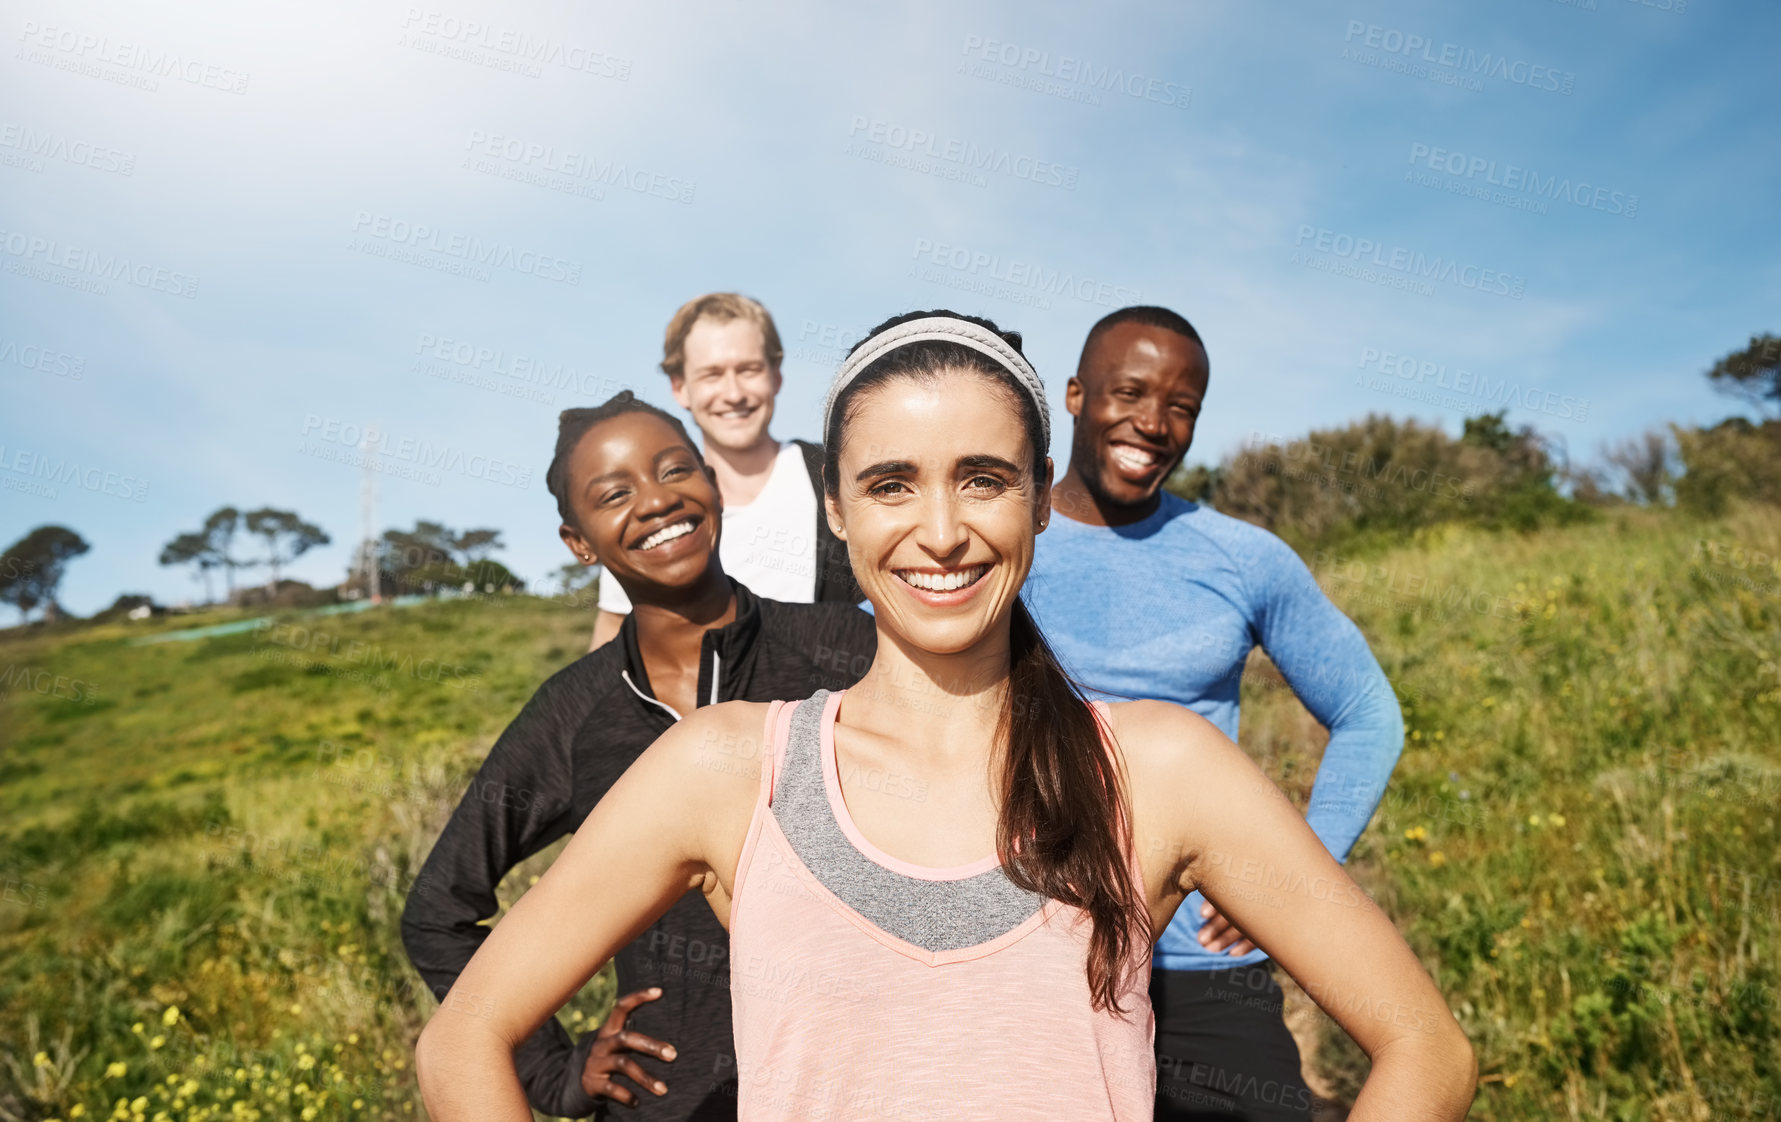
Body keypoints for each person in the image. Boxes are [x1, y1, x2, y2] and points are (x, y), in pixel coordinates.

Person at [414, 310, 1477, 1122]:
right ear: (837, 509)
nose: (940, 531)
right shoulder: (728, 767)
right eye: (890, 485)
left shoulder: (1158, 770)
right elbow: (462, 1043)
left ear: (1034, 497)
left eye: (980, 480)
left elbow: (1424, 1049)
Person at [401, 391, 876, 1120]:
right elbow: (437, 911)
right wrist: (554, 1071)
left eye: (674, 469)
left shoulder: (846, 648)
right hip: (671, 1104)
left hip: (865, 1087)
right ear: (578, 543)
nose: (654, 501)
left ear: (714, 486)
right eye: (614, 493)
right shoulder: (573, 714)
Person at [1021, 305, 1408, 1120]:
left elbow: (1368, 712)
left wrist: (1287, 880)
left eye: (1182, 407)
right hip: (1027, 962)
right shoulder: (999, 540)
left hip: (1203, 976)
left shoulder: (1240, 557)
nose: (1154, 423)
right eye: (1129, 392)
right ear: (1074, 395)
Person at [588, 293, 859, 651]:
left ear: (776, 375)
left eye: (749, 370)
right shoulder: (646, 509)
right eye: (712, 375)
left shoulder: (839, 480)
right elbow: (611, 644)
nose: (733, 393)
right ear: (680, 388)